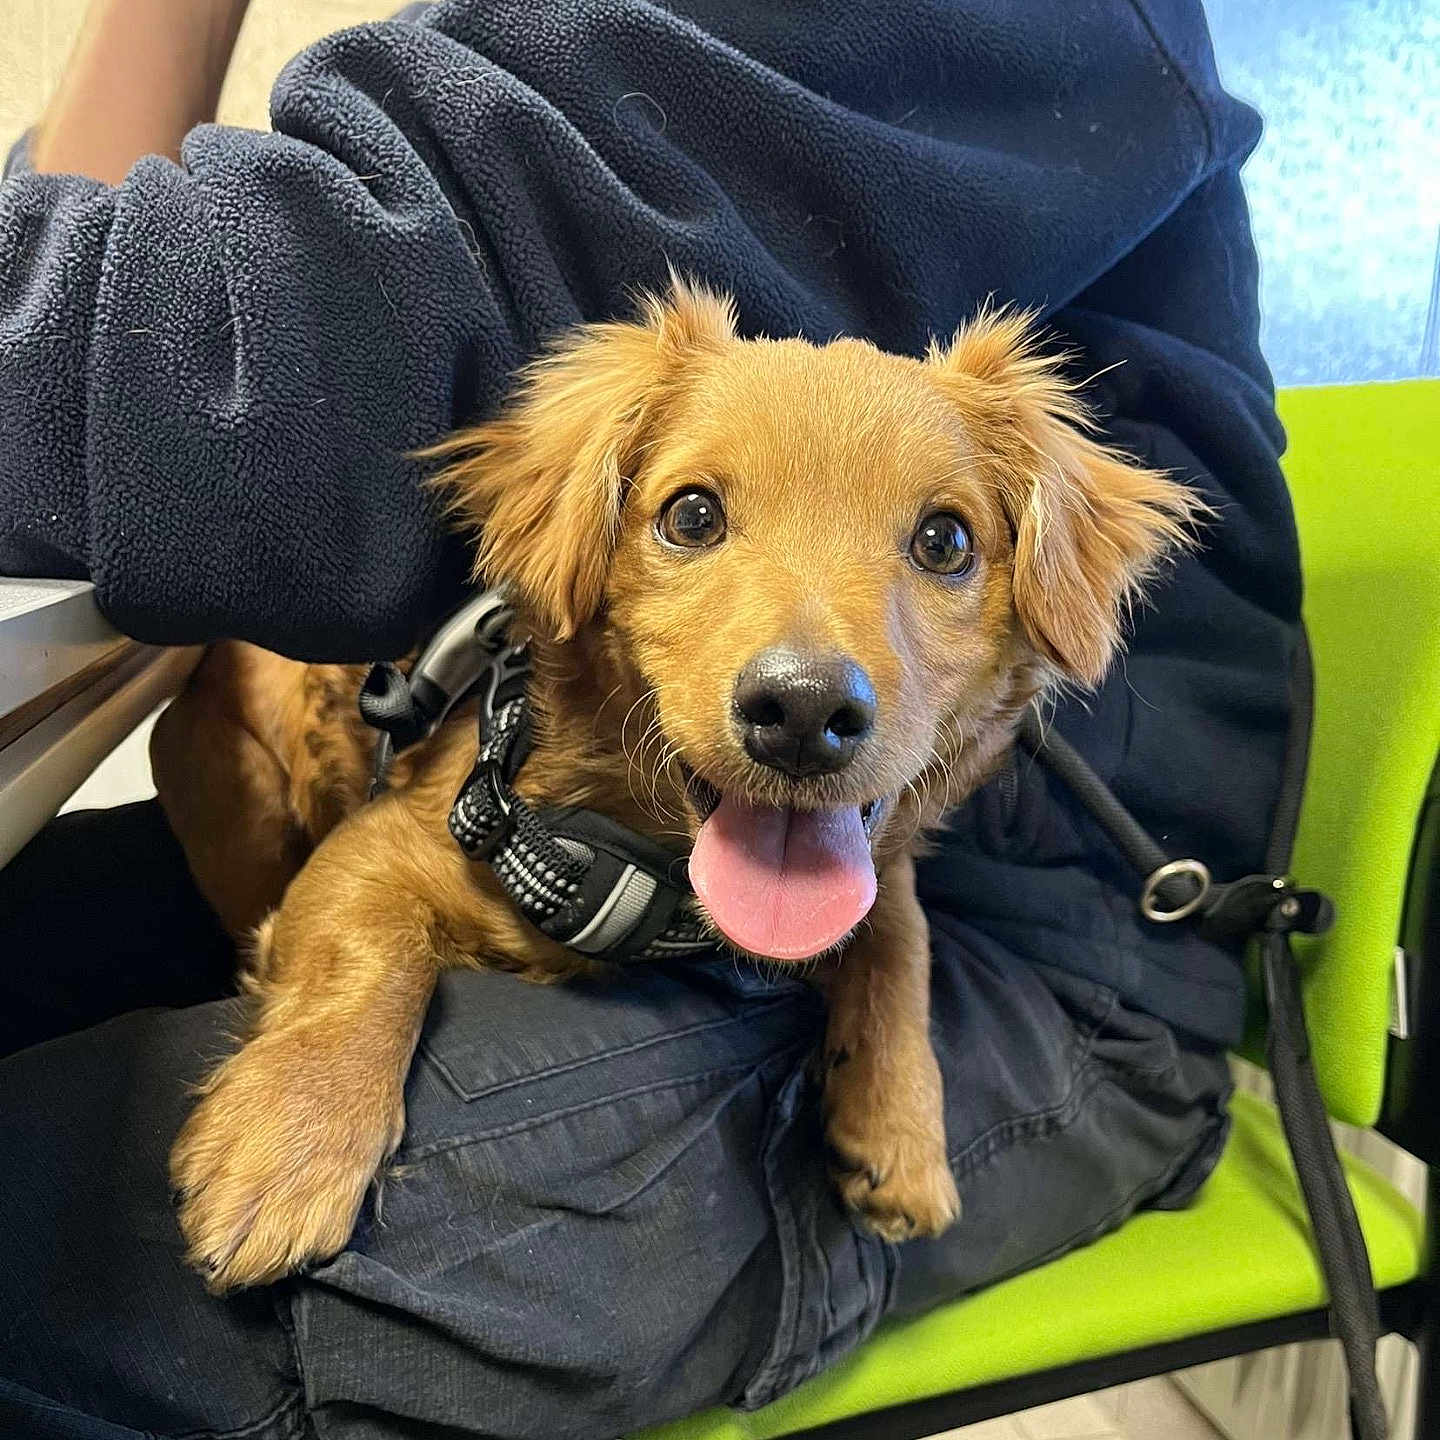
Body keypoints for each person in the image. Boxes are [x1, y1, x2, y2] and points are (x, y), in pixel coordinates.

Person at [0, 2, 1300, 1437]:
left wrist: (891, 977)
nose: (808, 670)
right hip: (594, 837)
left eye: (940, 546)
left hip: (1055, 956)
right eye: (692, 518)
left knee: (58, 1250)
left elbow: (336, 310)